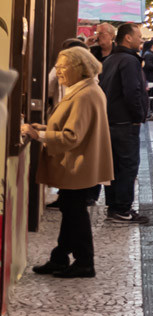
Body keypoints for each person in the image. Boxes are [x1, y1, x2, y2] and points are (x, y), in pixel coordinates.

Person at [27, 47, 113, 278]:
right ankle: (60, 256)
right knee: (70, 208)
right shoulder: (83, 90)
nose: (58, 71)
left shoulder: (85, 94)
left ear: (79, 67)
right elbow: (74, 128)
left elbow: (72, 137)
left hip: (78, 165)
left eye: (63, 66)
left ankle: (85, 262)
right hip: (79, 164)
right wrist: (45, 129)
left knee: (75, 212)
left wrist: (39, 135)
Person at [99, 22, 148, 224]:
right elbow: (132, 91)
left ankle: (114, 207)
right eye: (138, 36)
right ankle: (122, 209)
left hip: (111, 120)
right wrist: (137, 116)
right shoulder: (129, 61)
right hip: (124, 122)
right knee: (127, 166)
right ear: (127, 38)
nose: (141, 40)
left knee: (114, 167)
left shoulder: (111, 59)